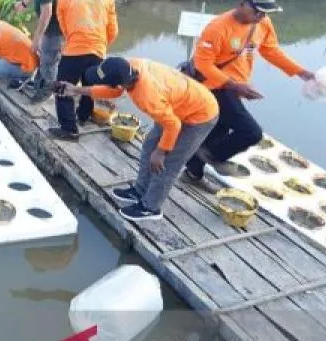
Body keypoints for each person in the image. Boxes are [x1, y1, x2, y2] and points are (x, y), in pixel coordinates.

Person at [183, 0, 315, 181]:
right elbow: (203, 65)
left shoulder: (262, 23)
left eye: (265, 13)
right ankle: (214, 157)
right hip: (213, 87)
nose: (262, 17)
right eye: (258, 12)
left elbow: (271, 50)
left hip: (236, 87)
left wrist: (300, 72)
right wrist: (234, 85)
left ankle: (193, 172)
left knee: (217, 129)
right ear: (242, 4)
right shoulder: (218, 28)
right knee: (251, 132)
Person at [61, 57, 219, 222]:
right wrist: (77, 90)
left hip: (200, 116)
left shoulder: (148, 96)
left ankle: (151, 207)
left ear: (119, 82)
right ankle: (140, 190)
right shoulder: (128, 67)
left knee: (168, 162)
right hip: (174, 107)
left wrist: (161, 151)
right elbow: (114, 91)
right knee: (150, 144)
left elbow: (173, 125)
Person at [48, 0, 118, 140]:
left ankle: (69, 129)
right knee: (91, 85)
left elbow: (65, 29)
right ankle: (84, 115)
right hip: (97, 51)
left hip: (73, 51)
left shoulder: (64, 0)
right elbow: (113, 31)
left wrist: (76, 41)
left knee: (62, 88)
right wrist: (100, 45)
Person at [10, 0, 69, 97]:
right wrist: (24, 3)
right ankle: (38, 84)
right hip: (54, 26)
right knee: (45, 58)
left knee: (49, 62)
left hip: (56, 29)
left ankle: (45, 94)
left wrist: (36, 40)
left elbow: (46, 13)